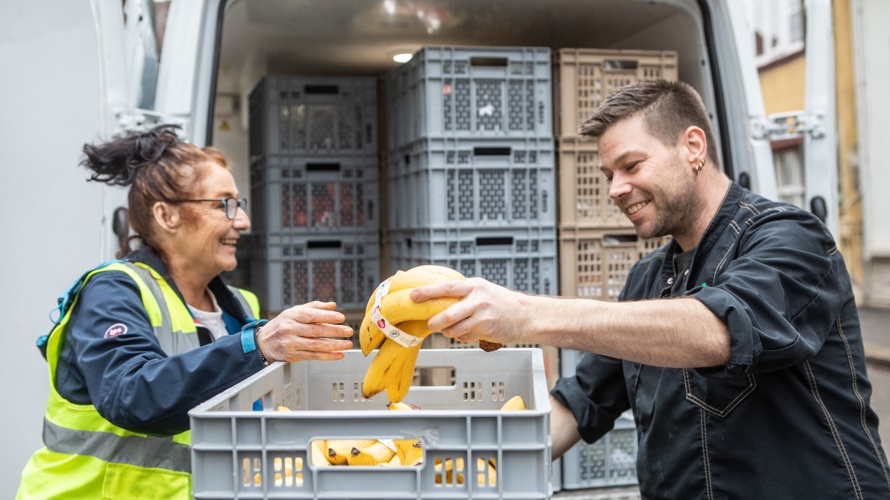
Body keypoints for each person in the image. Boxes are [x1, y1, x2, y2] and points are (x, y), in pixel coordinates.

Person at [411, 80, 890, 497]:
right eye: (608, 175)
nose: (616, 188)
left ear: (693, 147)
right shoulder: (649, 278)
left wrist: (528, 316)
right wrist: (471, 466)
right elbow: (582, 402)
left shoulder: (792, 238)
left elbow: (718, 330)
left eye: (632, 165)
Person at [17, 125, 353, 499]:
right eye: (224, 204)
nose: (242, 221)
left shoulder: (241, 307)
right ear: (167, 215)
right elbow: (131, 397)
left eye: (238, 204)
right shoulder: (112, 291)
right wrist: (255, 345)